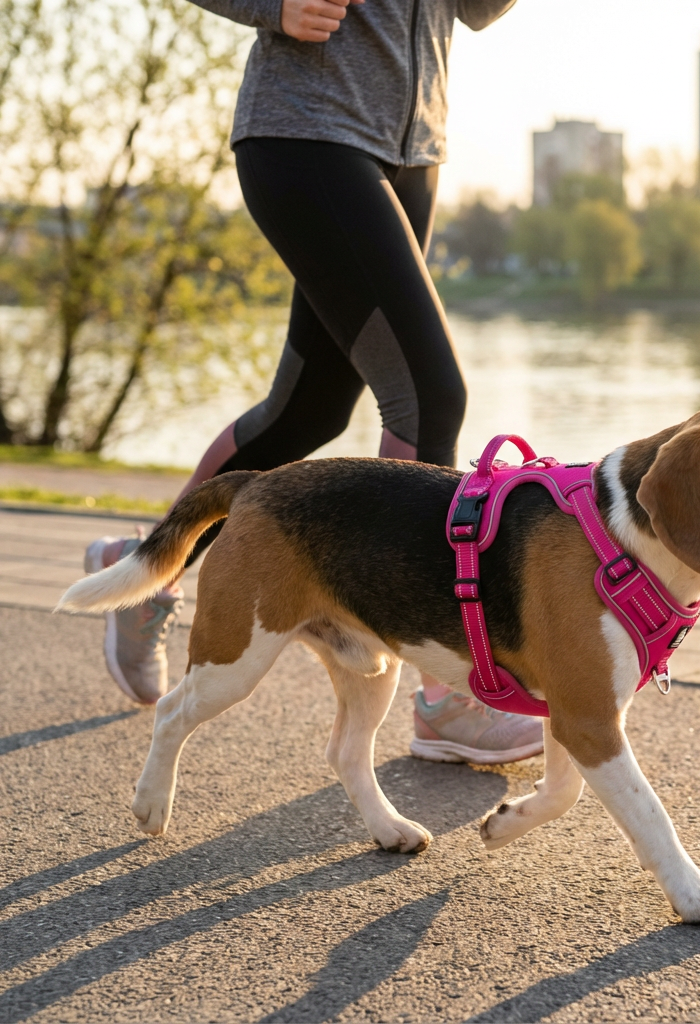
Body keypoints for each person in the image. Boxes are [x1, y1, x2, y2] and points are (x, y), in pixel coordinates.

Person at [85, 0, 542, 765]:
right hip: (309, 130)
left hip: (413, 146)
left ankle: (145, 568)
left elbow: (475, 10)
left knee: (307, 412)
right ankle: (444, 694)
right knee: (430, 397)